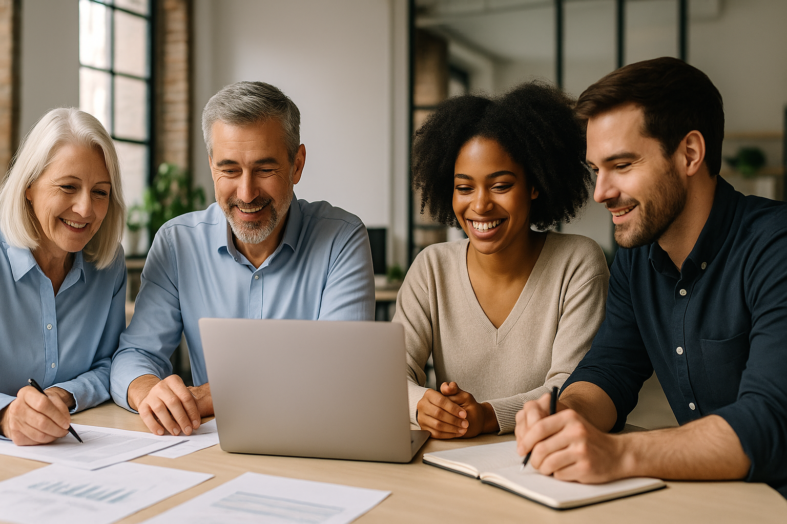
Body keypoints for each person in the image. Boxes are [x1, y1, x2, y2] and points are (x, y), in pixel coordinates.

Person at [515, 57, 787, 498]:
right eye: (595, 170)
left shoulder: (775, 247)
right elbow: (609, 370)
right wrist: (565, 416)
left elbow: (770, 422)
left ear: (690, 154)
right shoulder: (636, 258)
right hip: (714, 500)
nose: (601, 192)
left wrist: (618, 454)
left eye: (621, 165)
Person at [110, 81, 376, 437]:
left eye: (264, 170)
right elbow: (133, 356)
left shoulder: (341, 238)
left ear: (296, 165)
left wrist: (212, 396)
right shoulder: (177, 243)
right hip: (213, 447)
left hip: (313, 439)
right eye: (230, 170)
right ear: (211, 166)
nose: (246, 193)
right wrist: (149, 392)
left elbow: (342, 372)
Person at [398, 82, 609, 439]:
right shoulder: (431, 267)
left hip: (542, 457)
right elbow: (390, 373)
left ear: (535, 185)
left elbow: (573, 388)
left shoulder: (578, 264)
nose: (479, 205)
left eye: (500, 185)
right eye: (464, 188)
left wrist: (489, 416)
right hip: (450, 461)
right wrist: (422, 404)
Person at [0, 108, 127, 445]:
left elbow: (109, 364)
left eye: (100, 192)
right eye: (68, 187)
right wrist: (6, 416)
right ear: (29, 187)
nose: (86, 209)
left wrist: (64, 395)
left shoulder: (109, 265)